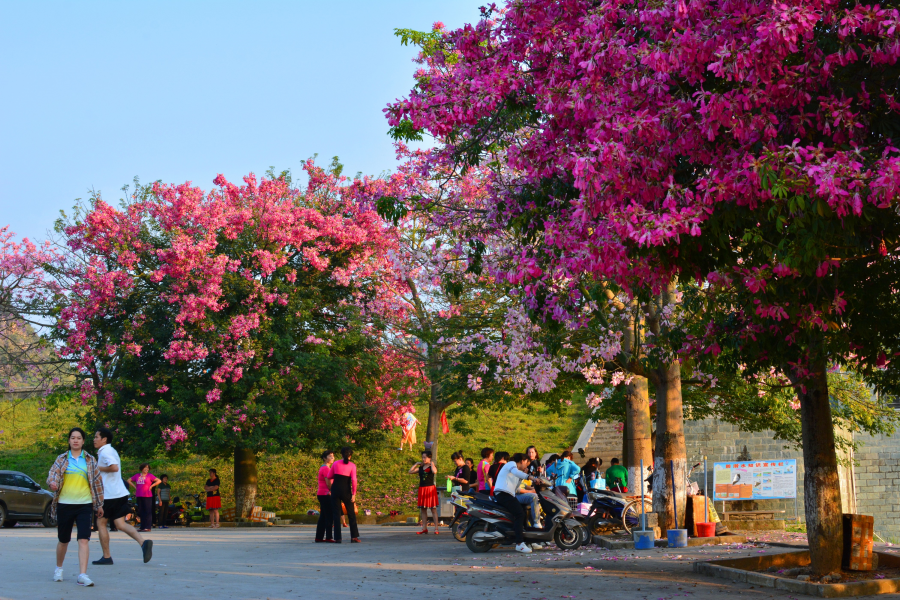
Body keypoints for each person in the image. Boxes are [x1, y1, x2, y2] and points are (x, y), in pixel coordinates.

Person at [47, 427, 104, 586]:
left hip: (84, 504)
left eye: (79, 438)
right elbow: (53, 474)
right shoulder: (62, 459)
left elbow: (98, 483)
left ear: (83, 441)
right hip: (65, 504)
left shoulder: (91, 460)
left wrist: (99, 504)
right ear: (69, 440)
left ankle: (83, 575)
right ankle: (59, 569)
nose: (76, 440)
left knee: (83, 539)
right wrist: (52, 483)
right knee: (63, 540)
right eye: (73, 437)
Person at [92, 428, 153, 566]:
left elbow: (114, 468)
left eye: (96, 437)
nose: (94, 439)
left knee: (101, 523)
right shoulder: (111, 450)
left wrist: (97, 468)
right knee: (119, 524)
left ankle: (107, 557)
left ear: (104, 439)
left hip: (109, 495)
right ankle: (143, 543)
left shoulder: (106, 452)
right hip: (119, 493)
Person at [493, 452, 533, 554]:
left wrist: (523, 476)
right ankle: (519, 543)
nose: (526, 466)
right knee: (520, 514)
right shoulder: (511, 464)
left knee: (524, 510)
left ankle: (527, 539)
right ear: (522, 461)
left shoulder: (515, 471)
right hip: (503, 494)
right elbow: (516, 473)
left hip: (508, 494)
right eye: (526, 464)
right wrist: (529, 477)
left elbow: (516, 488)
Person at [328, 447, 360, 543]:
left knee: (336, 514)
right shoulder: (352, 466)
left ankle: (338, 538)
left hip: (335, 490)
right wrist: (354, 494)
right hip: (346, 491)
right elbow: (354, 480)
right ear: (350, 456)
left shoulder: (336, 463)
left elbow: (329, 476)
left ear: (341, 455)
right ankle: (354, 537)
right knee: (351, 514)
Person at [409, 451, 439, 534]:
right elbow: (410, 471)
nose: (423, 459)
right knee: (423, 509)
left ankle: (436, 528)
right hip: (422, 489)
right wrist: (416, 464)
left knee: (433, 509)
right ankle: (424, 528)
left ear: (429, 458)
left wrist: (432, 463)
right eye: (422, 457)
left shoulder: (431, 466)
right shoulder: (421, 468)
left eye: (425, 457)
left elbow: (434, 472)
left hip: (430, 489)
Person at [129, 464, 160, 532]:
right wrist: (135, 487)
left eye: (148, 468)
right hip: (139, 495)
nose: (146, 469)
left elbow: (159, 480)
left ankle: (148, 527)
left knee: (147, 511)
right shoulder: (137, 475)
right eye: (145, 468)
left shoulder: (150, 475)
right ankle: (142, 526)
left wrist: (152, 486)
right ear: (142, 468)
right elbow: (129, 480)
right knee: (141, 511)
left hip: (147, 495)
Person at [315, 450, 335, 543]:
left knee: (323, 516)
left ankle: (319, 537)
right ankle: (328, 537)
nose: (332, 458)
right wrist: (332, 491)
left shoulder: (323, 467)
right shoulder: (326, 468)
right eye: (330, 456)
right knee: (329, 516)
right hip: (326, 494)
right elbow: (328, 483)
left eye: (333, 456)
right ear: (324, 458)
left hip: (322, 494)